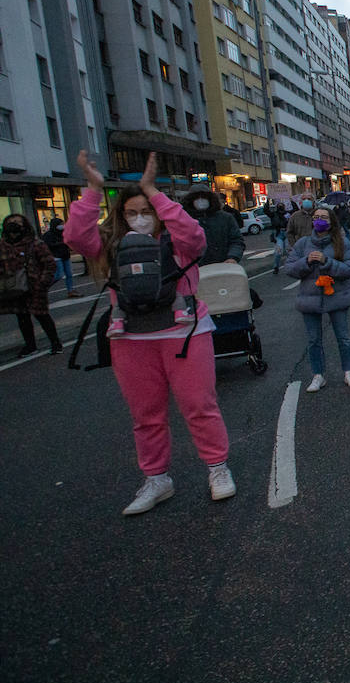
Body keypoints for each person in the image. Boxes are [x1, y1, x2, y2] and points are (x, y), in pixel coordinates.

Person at [64, 150, 235, 515]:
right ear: (121, 217)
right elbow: (76, 237)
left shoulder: (178, 242)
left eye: (146, 212)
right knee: (145, 415)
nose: (139, 219)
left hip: (184, 334)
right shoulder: (112, 246)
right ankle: (157, 479)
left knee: (200, 407)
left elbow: (194, 234)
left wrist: (153, 192)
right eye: (132, 213)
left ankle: (218, 468)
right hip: (129, 340)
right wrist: (93, 190)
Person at [284, 204, 350, 392]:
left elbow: (349, 269)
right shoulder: (302, 244)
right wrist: (306, 261)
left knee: (343, 337)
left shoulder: (342, 243)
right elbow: (290, 269)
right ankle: (318, 375)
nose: (320, 220)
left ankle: (349, 371)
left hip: (336, 295)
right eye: (317, 217)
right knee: (313, 340)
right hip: (309, 298)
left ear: (331, 221)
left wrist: (327, 262)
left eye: (324, 218)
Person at [1, 214, 62, 356]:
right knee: (22, 317)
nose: (13, 225)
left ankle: (55, 343)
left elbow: (49, 264)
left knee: (42, 316)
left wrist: (43, 282)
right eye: (10, 222)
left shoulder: (35, 244)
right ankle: (30, 345)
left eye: (17, 222)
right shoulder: (3, 246)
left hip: (35, 287)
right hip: (14, 288)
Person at [183, 185, 244, 266]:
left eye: (204, 197)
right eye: (196, 198)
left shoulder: (225, 218)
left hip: (225, 267)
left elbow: (237, 240)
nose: (200, 200)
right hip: (197, 271)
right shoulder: (184, 220)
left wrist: (232, 257)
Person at [42, 216, 78, 297]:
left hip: (65, 255)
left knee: (69, 274)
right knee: (59, 275)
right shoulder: (48, 235)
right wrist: (61, 243)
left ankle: (70, 290)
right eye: (60, 224)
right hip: (56, 256)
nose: (62, 225)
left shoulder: (64, 232)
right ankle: (44, 287)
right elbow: (48, 245)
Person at [267, 200, 289, 274]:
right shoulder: (273, 214)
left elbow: (295, 209)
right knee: (278, 252)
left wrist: (291, 200)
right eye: (279, 205)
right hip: (278, 234)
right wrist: (268, 201)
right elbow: (266, 210)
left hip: (287, 234)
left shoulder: (288, 214)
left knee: (289, 251)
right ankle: (276, 266)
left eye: (281, 205)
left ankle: (291, 265)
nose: (280, 207)